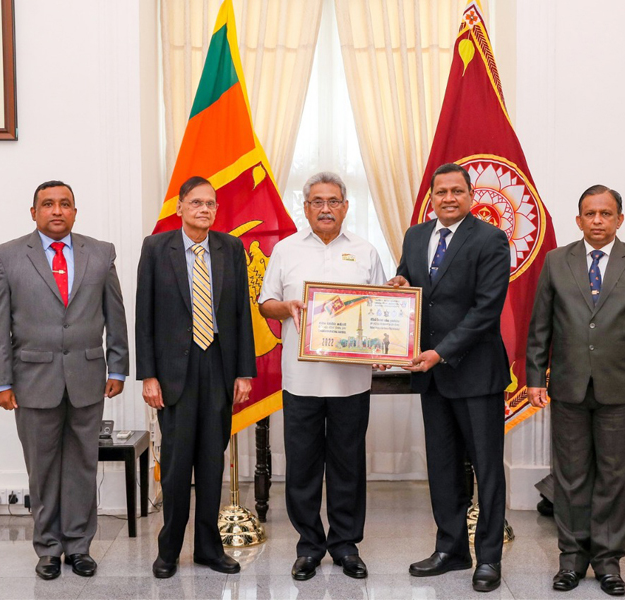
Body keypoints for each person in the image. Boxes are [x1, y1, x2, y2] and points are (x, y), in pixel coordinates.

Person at [526, 185, 625, 597]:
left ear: (619, 219)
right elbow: (540, 326)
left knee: (614, 477)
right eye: (589, 214)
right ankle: (571, 560)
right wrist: (536, 376)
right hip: (569, 386)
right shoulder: (556, 261)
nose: (597, 221)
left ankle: (607, 561)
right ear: (578, 220)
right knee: (571, 478)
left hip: (622, 389)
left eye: (606, 214)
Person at [0, 181, 129, 580]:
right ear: (34, 212)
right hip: (32, 380)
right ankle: (48, 548)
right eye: (48, 204)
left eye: (65, 204)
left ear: (75, 212)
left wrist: (118, 367)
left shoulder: (100, 254)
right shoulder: (7, 257)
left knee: (83, 465)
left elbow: (115, 313)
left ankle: (79, 547)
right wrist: (0, 382)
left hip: (87, 376)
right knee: (42, 469)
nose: (57, 211)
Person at [388, 163, 511, 593]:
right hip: (432, 378)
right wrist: (399, 283)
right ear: (432, 197)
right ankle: (451, 549)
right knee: (442, 468)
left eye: (457, 191)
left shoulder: (491, 240)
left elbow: (486, 309)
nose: (448, 198)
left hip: (475, 374)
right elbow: (411, 284)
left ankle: (489, 558)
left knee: (487, 470)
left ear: (470, 195)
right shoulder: (416, 236)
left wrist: (441, 352)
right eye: (441, 192)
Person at [258, 172, 386, 581]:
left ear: (346, 207)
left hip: (352, 381)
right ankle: (309, 546)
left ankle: (346, 546)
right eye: (317, 201)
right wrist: (287, 308)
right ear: (306, 206)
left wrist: (386, 347)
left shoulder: (365, 252)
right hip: (301, 380)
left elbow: (383, 309)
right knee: (303, 466)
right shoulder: (285, 250)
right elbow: (265, 304)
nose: (326, 208)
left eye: (333, 201)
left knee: (348, 465)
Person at [136, 176, 256, 578]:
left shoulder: (231, 248)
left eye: (211, 204)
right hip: (174, 373)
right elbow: (144, 318)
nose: (204, 209)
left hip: (218, 367)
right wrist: (148, 375)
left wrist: (244, 371)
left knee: (210, 463)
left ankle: (208, 548)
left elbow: (242, 313)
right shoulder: (156, 248)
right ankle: (168, 550)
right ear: (180, 208)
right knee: (174, 465)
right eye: (196, 203)